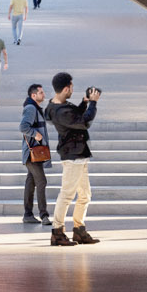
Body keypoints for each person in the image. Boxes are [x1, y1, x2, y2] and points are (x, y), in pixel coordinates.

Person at [47, 71, 99, 245]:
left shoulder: (60, 106)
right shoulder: (59, 111)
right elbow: (83, 122)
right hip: (73, 156)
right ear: (65, 88)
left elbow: (75, 116)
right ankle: (57, 231)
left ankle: (79, 229)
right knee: (67, 194)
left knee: (85, 195)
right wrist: (93, 103)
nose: (72, 90)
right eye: (71, 87)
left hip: (79, 154)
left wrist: (84, 103)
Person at [20, 82, 52, 225]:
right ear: (33, 95)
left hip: (35, 153)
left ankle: (28, 214)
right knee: (41, 181)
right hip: (33, 153)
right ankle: (44, 215)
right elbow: (23, 127)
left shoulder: (35, 108)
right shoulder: (31, 108)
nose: (43, 95)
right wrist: (36, 135)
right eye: (41, 93)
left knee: (31, 181)